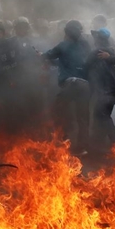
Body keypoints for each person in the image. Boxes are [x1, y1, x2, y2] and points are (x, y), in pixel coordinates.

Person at [43, 20, 92, 154]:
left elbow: (47, 55)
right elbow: (67, 61)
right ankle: (83, 147)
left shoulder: (63, 45)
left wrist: (41, 56)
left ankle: (63, 141)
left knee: (57, 111)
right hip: (85, 85)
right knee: (82, 117)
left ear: (66, 32)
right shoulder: (85, 45)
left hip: (71, 84)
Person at [85, 29, 115, 145]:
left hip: (107, 90)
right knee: (101, 113)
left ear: (98, 39)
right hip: (114, 89)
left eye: (95, 37)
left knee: (102, 114)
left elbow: (85, 66)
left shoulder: (96, 51)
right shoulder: (111, 50)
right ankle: (99, 139)